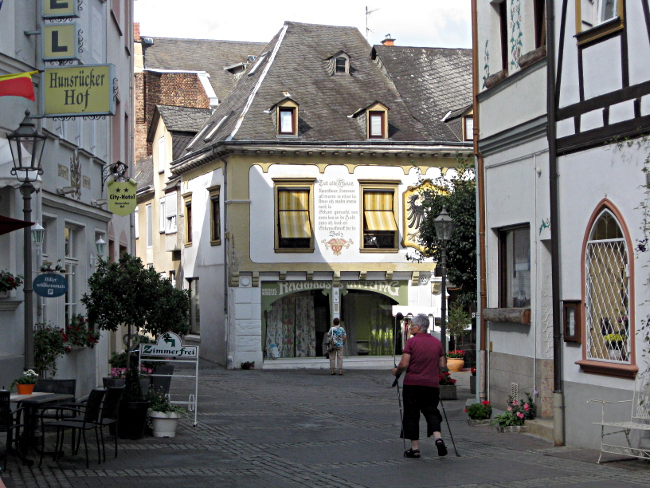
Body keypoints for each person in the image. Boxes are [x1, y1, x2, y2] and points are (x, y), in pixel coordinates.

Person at [391, 313, 447, 458]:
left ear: (419, 327)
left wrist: (397, 371)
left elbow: (404, 363)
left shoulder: (411, 342)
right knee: (431, 411)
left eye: (412, 326)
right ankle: (438, 439)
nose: (410, 328)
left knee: (411, 414)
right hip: (431, 384)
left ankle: (415, 449)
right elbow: (442, 365)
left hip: (413, 384)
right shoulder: (437, 342)